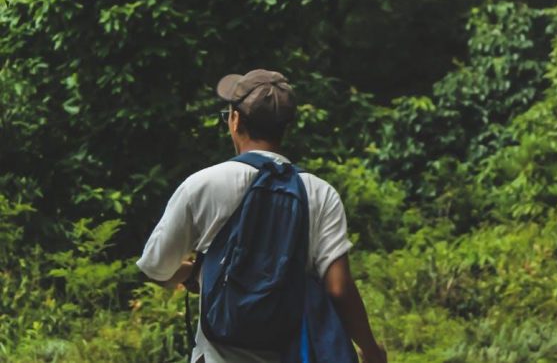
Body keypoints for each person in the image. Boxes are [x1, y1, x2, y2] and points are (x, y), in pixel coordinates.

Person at [136, 69, 387, 363]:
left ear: (235, 120)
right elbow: (338, 286)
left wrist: (199, 273)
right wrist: (369, 348)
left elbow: (155, 267)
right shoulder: (319, 193)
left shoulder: (203, 185)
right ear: (285, 127)